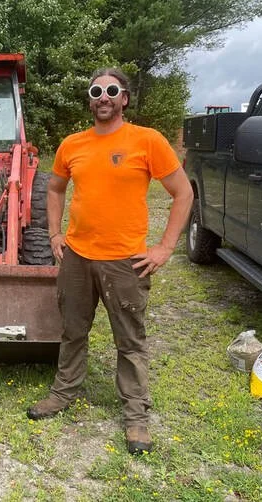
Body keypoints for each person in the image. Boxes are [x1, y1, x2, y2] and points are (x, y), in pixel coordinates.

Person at [26, 67, 193, 456]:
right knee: (72, 331)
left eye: (112, 90)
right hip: (77, 258)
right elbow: (54, 188)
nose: (103, 96)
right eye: (96, 90)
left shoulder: (146, 140)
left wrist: (164, 248)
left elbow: (183, 193)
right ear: (90, 98)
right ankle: (63, 394)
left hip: (125, 262)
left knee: (130, 340)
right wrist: (55, 234)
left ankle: (136, 416)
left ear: (124, 98)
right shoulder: (72, 144)